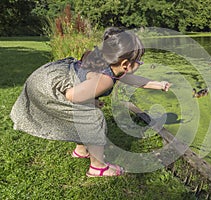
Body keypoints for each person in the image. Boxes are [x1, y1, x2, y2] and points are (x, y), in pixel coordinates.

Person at [10, 27, 171, 177]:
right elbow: (73, 96)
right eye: (139, 61)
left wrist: (159, 84)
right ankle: (98, 167)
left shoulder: (105, 61)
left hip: (44, 77)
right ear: (125, 65)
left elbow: (134, 80)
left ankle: (81, 150)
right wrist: (91, 104)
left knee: (81, 115)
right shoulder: (105, 80)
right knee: (93, 119)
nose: (140, 64)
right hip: (47, 89)